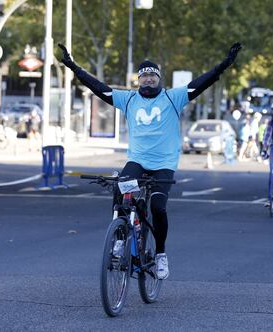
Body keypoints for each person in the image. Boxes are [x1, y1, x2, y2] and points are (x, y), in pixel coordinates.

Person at [58, 42, 242, 279]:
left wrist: (224, 65)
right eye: (143, 76)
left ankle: (161, 254)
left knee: (157, 207)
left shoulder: (173, 97)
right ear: (138, 80)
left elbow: (201, 83)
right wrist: (73, 67)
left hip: (164, 164)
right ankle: (120, 239)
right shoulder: (128, 99)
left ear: (159, 78)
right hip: (138, 161)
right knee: (121, 191)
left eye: (152, 75)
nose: (148, 79)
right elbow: (98, 88)